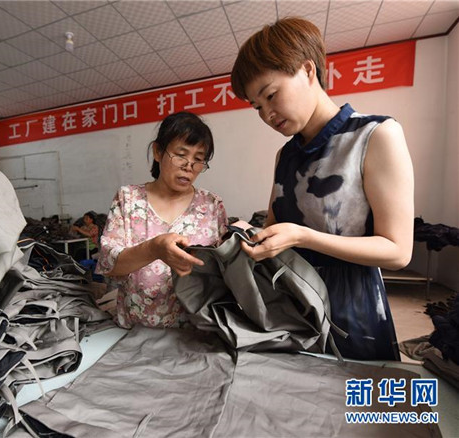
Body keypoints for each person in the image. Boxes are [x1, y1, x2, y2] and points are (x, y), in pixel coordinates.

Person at [230, 17, 414, 360]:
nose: (267, 114)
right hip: (291, 307)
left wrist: (303, 237)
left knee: (352, 391)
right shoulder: (285, 156)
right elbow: (274, 230)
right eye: (257, 107)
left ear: (307, 70)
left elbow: (398, 251)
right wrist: (250, 236)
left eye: (271, 95)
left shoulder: (375, 135)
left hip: (351, 312)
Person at [96, 112, 228, 328]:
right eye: (181, 155)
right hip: (136, 328)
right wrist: (153, 249)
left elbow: (224, 270)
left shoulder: (211, 205)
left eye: (198, 159)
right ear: (158, 152)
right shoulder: (128, 199)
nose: (189, 166)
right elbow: (109, 265)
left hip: (196, 331)